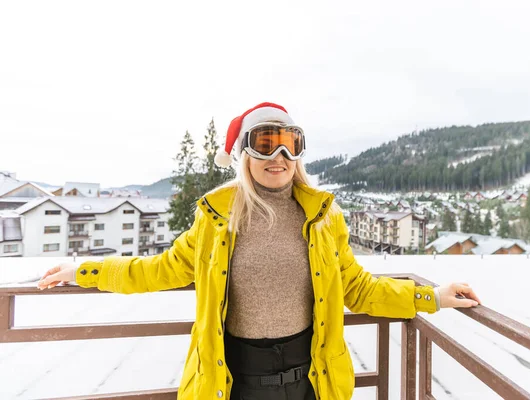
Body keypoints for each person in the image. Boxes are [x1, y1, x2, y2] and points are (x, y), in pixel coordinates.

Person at [37, 102, 481, 400]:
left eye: (291, 144)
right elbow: (157, 270)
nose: (280, 155)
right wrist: (85, 271)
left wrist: (432, 297)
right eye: (266, 143)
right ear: (242, 154)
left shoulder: (325, 218)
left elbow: (358, 288)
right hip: (234, 380)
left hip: (311, 378)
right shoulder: (216, 220)